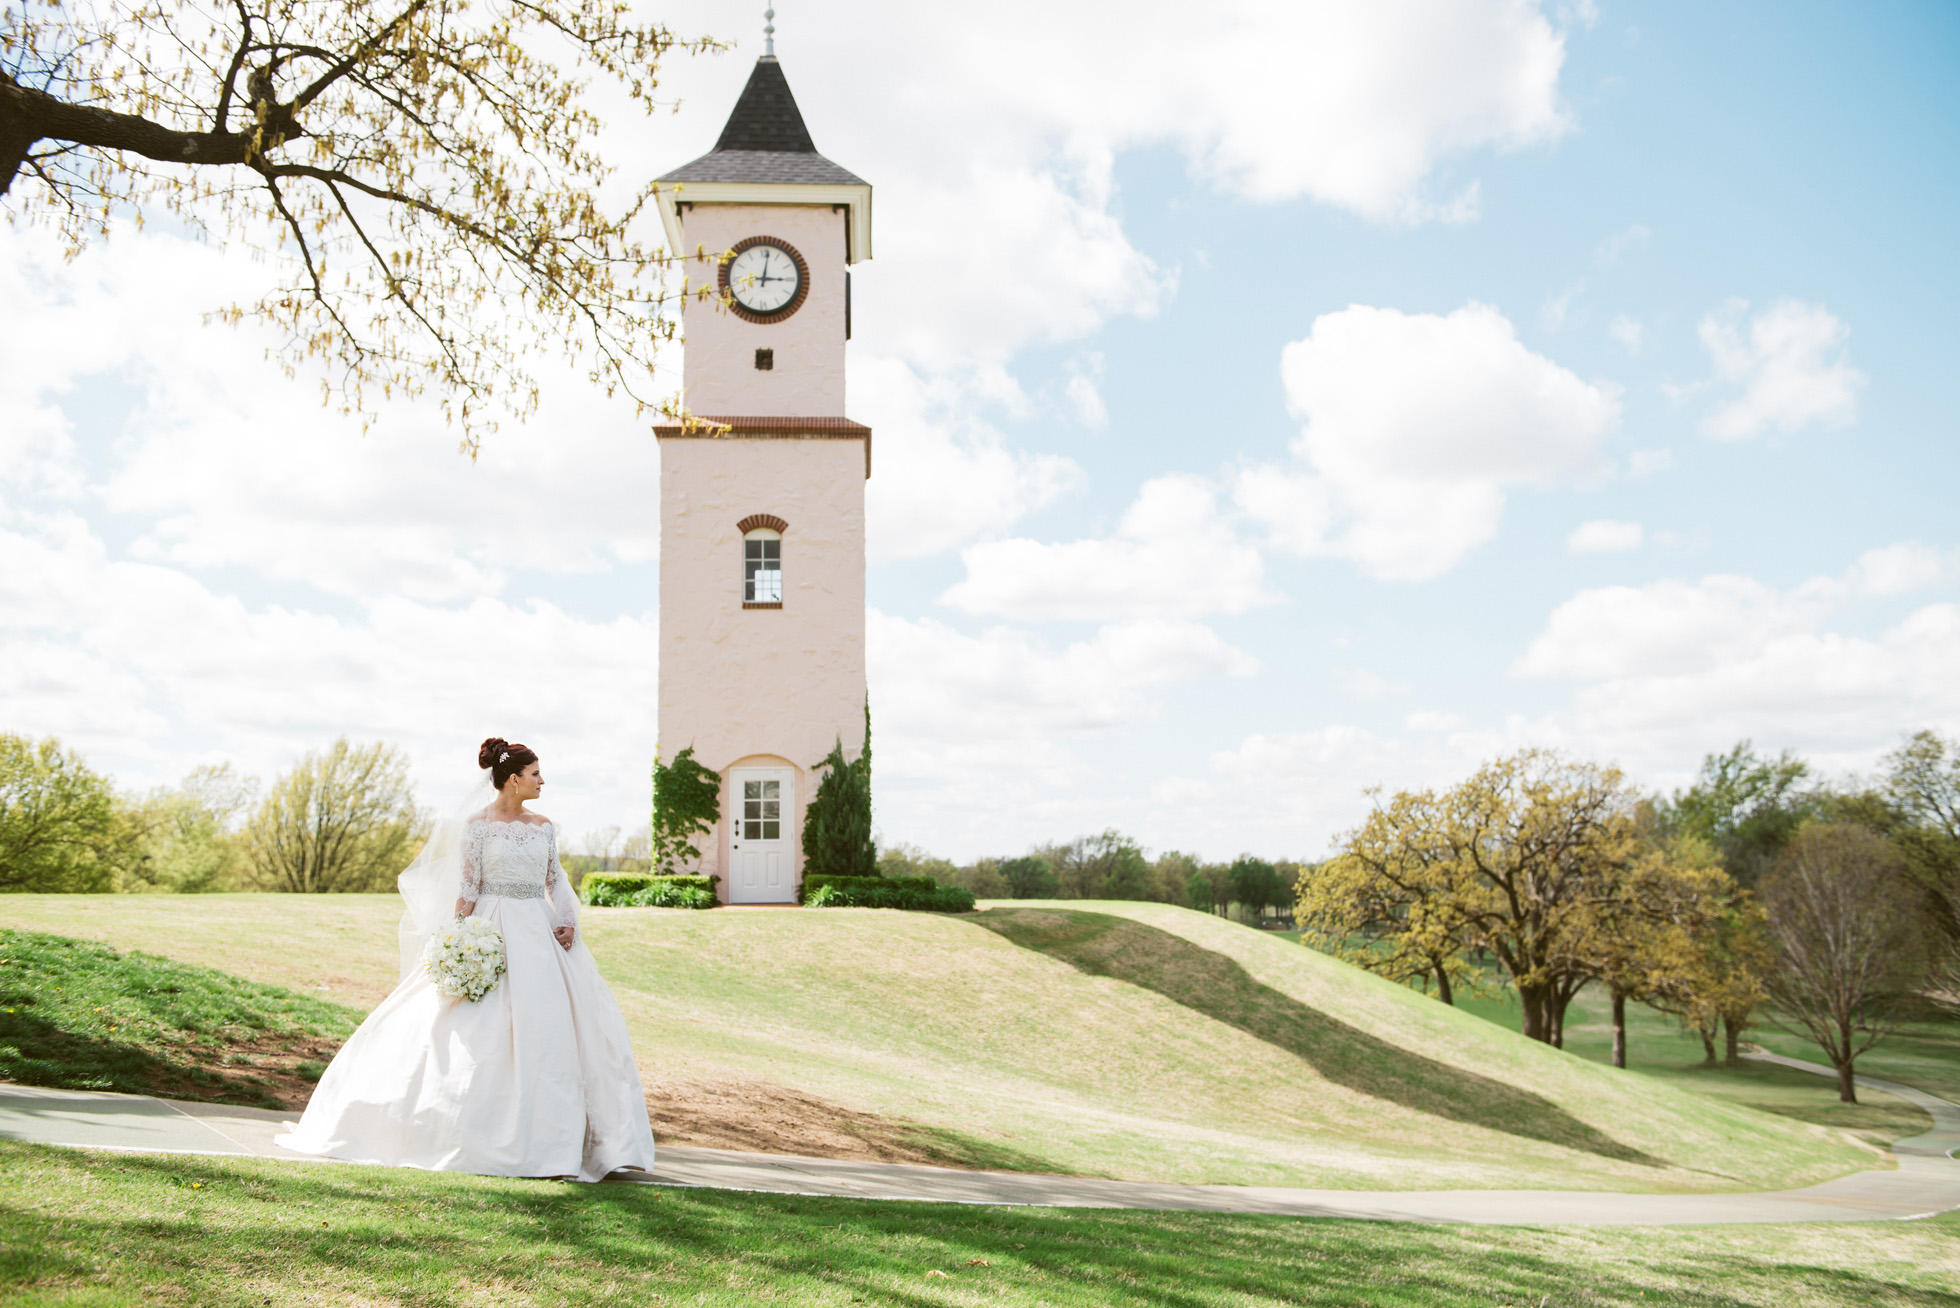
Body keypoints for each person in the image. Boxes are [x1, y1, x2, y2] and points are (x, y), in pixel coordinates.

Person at [276, 737, 655, 1181]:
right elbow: (468, 888)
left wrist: (569, 921)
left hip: (538, 932)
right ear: (513, 779)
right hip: (489, 929)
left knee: (551, 1030)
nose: (542, 780)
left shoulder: (543, 825)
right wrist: (458, 941)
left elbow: (557, 881)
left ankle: (564, 1140)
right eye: (535, 774)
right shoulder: (476, 826)